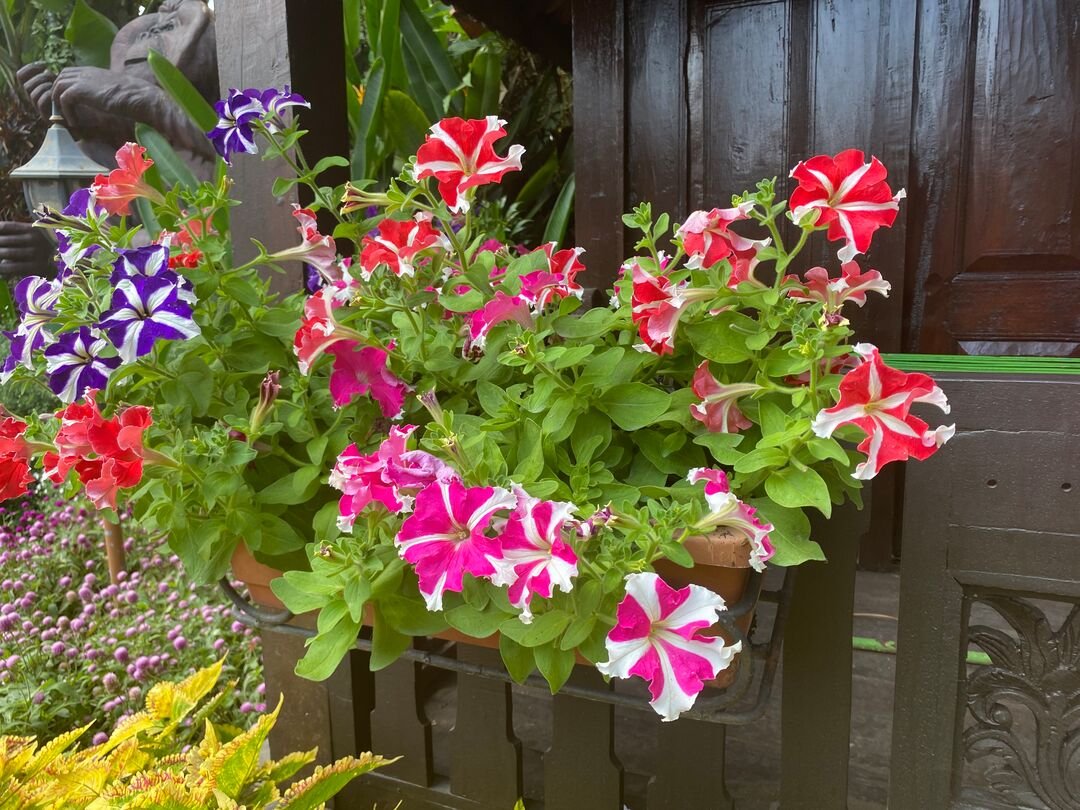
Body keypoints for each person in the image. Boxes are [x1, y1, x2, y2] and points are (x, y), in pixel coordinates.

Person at [0, 0, 217, 278]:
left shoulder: (222, 122)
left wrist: (147, 100)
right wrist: (56, 251)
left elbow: (243, 163)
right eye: (148, 30)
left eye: (168, 27)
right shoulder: (107, 151)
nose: (149, 35)